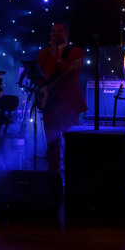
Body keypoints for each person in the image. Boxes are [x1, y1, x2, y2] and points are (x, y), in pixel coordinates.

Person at [36, 22, 87, 172]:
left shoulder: (76, 52)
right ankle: (53, 179)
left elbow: (71, 73)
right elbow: (38, 76)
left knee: (72, 142)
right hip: (49, 104)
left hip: (68, 104)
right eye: (53, 31)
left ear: (67, 34)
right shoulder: (43, 53)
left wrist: (56, 56)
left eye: (59, 31)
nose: (55, 33)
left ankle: (75, 179)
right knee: (52, 143)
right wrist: (44, 76)